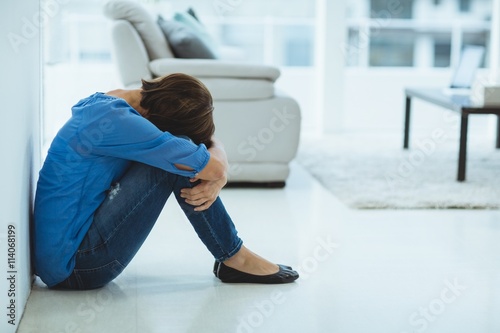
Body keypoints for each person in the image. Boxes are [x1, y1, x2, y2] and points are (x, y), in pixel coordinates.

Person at [33, 73, 299, 290]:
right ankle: (234, 257)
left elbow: (207, 153)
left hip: (63, 255)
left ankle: (232, 256)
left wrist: (214, 168)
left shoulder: (111, 102)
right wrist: (219, 176)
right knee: (175, 162)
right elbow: (213, 168)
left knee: (180, 154)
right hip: (77, 267)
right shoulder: (123, 125)